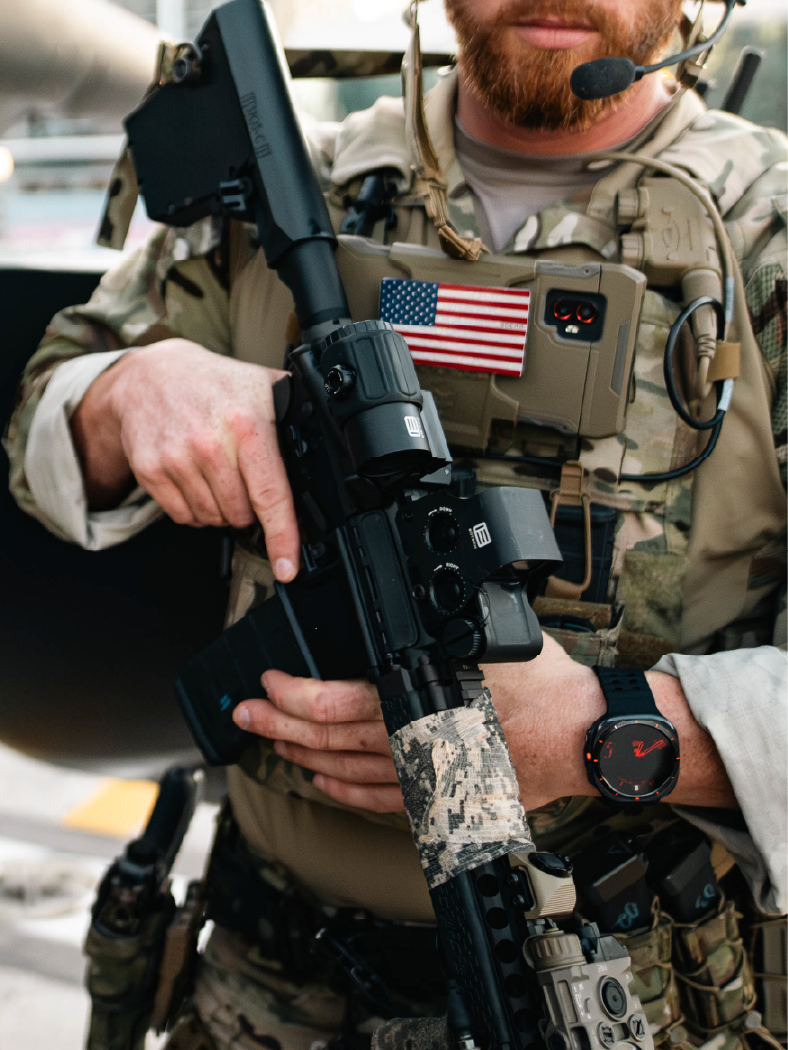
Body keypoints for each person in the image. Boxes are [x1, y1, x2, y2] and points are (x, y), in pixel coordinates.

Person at [7, 1, 788, 1048]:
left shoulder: (763, 230)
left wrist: (606, 733)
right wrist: (129, 390)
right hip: (259, 985)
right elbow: (45, 416)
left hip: (623, 1003)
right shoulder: (293, 180)